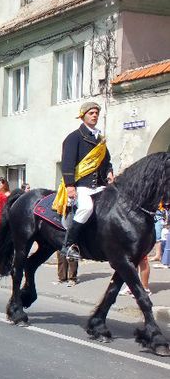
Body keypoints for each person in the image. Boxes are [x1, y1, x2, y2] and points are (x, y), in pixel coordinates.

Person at [55, 101, 114, 260]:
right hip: (82, 185)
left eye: (96, 113)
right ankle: (68, 245)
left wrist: (109, 172)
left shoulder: (100, 140)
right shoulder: (74, 137)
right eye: (91, 113)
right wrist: (70, 186)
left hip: (100, 186)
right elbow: (67, 163)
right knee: (86, 208)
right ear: (83, 116)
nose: (94, 115)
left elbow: (107, 161)